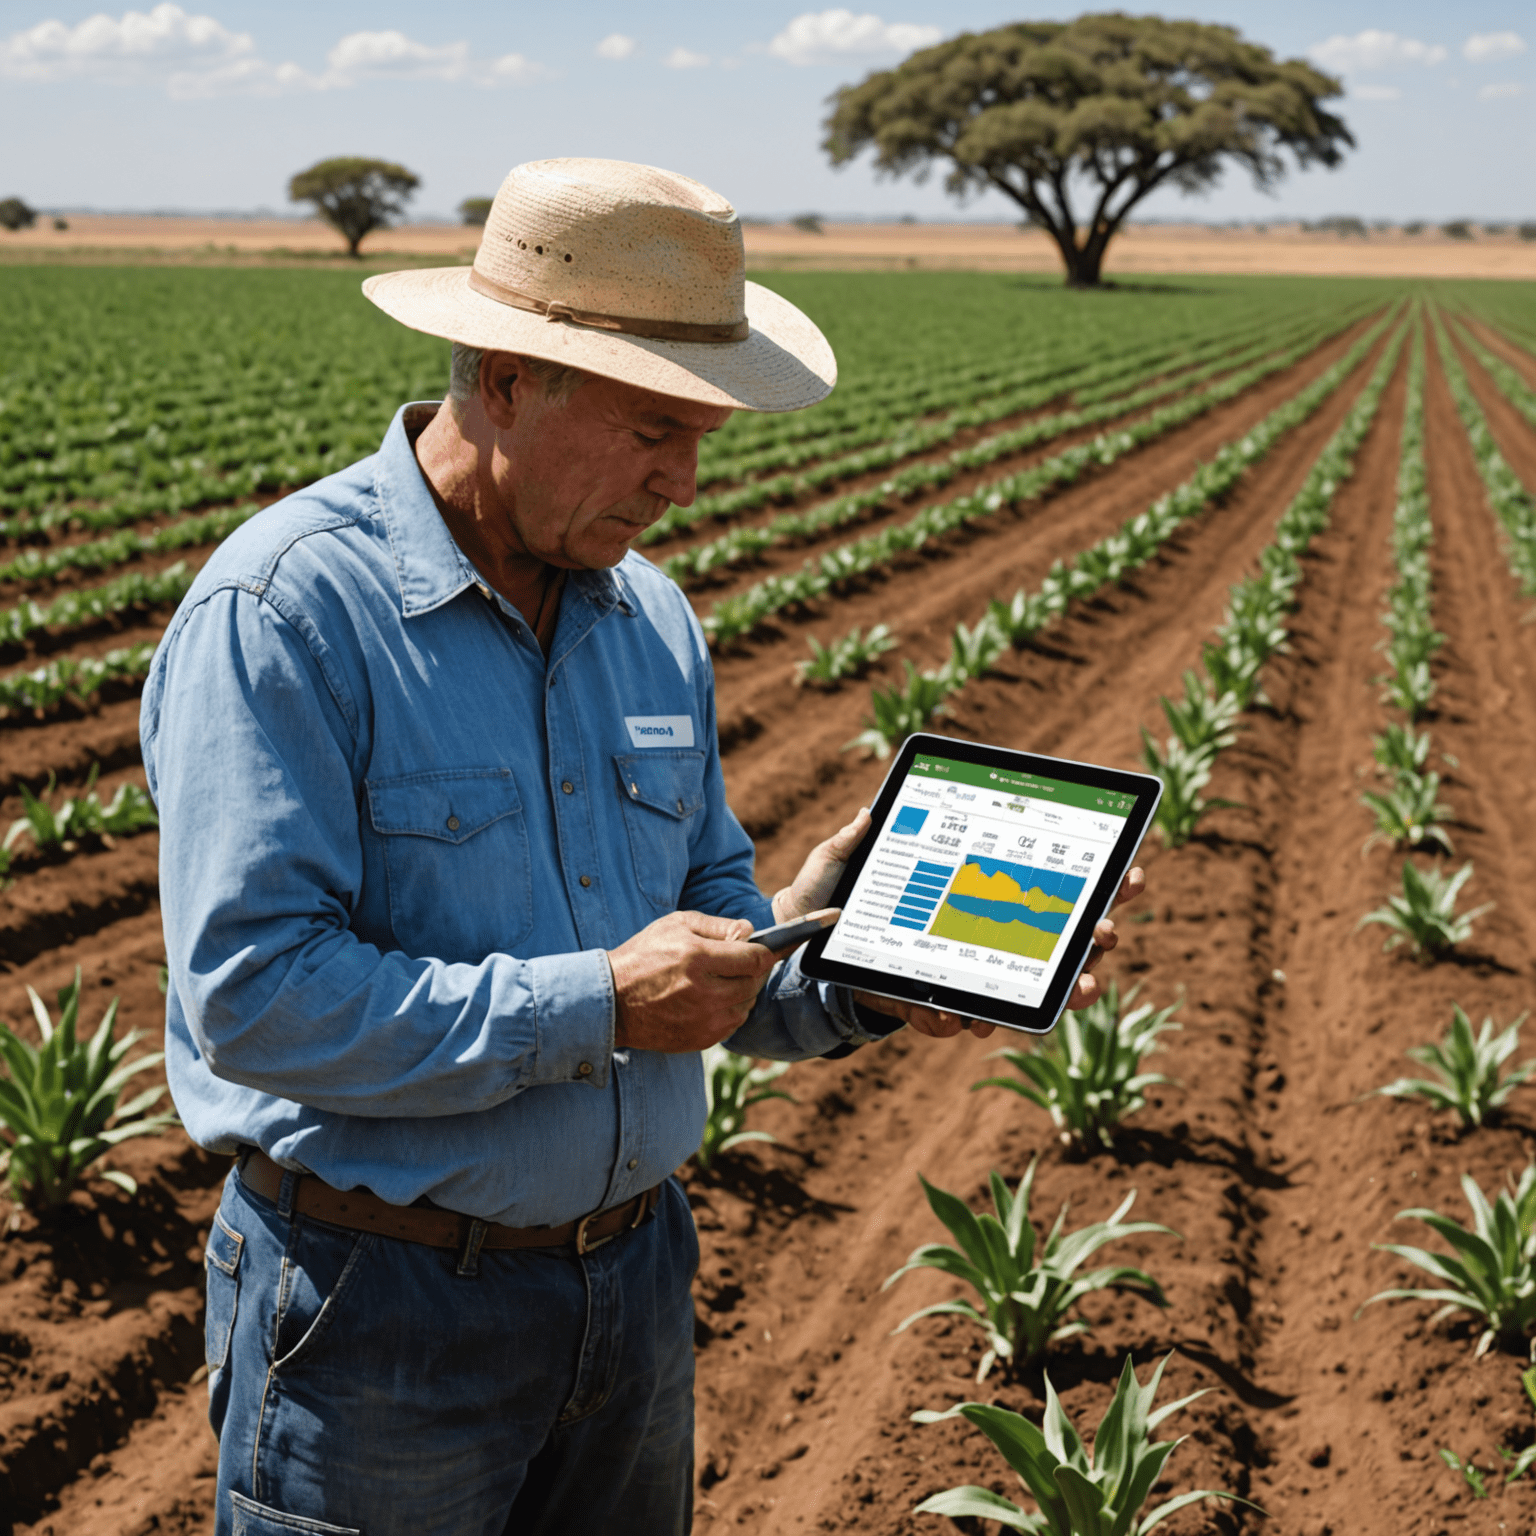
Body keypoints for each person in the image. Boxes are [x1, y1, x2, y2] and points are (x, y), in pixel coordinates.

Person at [141, 158, 1140, 1536]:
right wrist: (601, 998)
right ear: (503, 380)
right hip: (379, 1312)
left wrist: (846, 965)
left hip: (634, 1290)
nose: (680, 480)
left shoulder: (649, 618)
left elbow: (708, 941)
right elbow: (253, 998)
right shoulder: (288, 615)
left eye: (703, 437)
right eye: (651, 430)